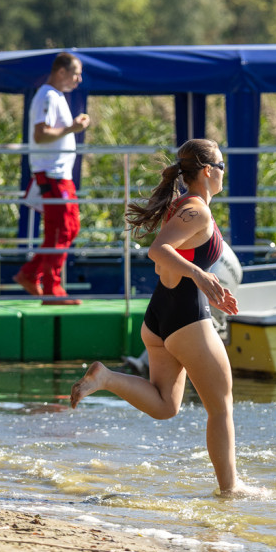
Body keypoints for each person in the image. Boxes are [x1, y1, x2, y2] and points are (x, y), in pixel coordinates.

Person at [70, 139, 241, 495]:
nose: (225, 173)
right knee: (221, 406)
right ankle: (230, 489)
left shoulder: (183, 205)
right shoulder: (197, 209)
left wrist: (210, 287)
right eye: (222, 166)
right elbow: (158, 250)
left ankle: (106, 378)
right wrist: (199, 276)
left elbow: (177, 254)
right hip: (185, 318)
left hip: (161, 317)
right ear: (208, 171)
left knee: (166, 406)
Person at [14, 52, 90, 306]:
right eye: (76, 73)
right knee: (61, 230)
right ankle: (52, 291)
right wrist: (72, 128)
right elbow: (41, 134)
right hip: (52, 174)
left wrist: (72, 127)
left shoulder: (54, 96)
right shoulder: (47, 95)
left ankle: (29, 274)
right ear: (61, 72)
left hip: (59, 175)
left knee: (65, 230)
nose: (79, 79)